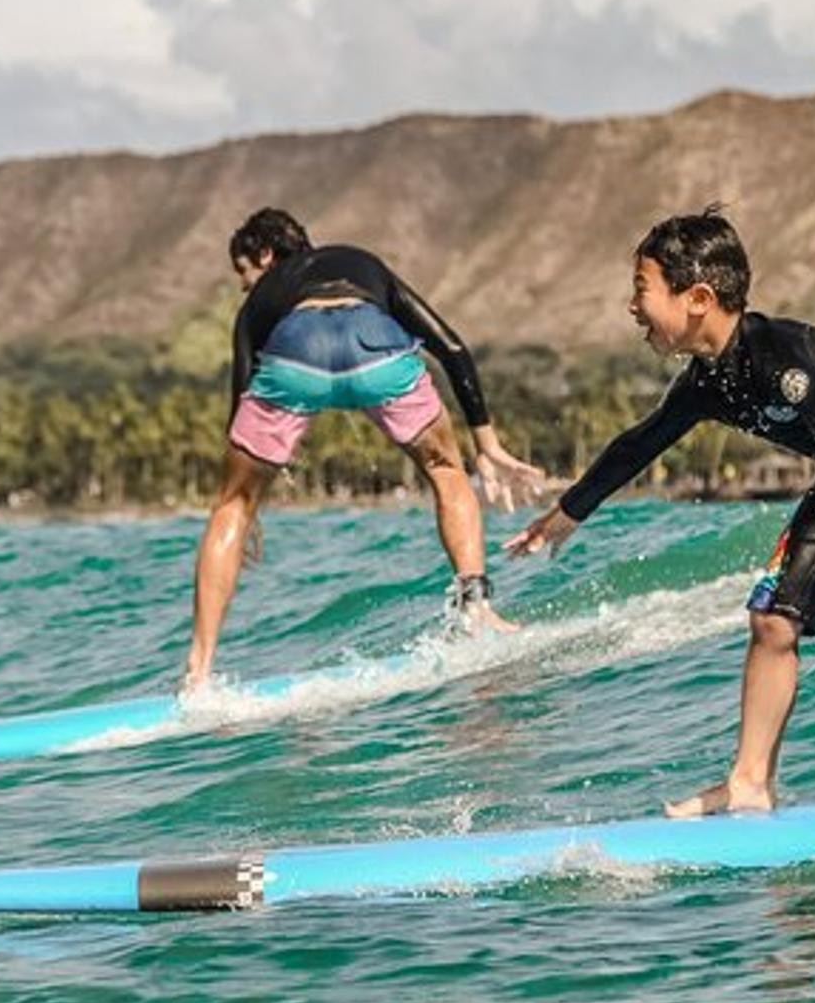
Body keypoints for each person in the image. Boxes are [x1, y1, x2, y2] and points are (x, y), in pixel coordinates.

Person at [504, 206, 815, 812]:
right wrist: (567, 514)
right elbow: (639, 443)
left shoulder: (778, 357)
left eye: (642, 289)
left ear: (697, 297)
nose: (632, 306)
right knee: (772, 618)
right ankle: (749, 783)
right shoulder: (708, 380)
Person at [182, 208, 544, 690]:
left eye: (244, 274)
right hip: (375, 346)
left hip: (296, 353)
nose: (246, 287)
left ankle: (198, 672)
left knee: (231, 506)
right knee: (445, 470)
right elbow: (452, 348)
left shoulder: (262, 300)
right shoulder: (361, 262)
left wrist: (244, 506)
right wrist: (488, 444)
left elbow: (240, 402)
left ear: (264, 256)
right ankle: (476, 608)